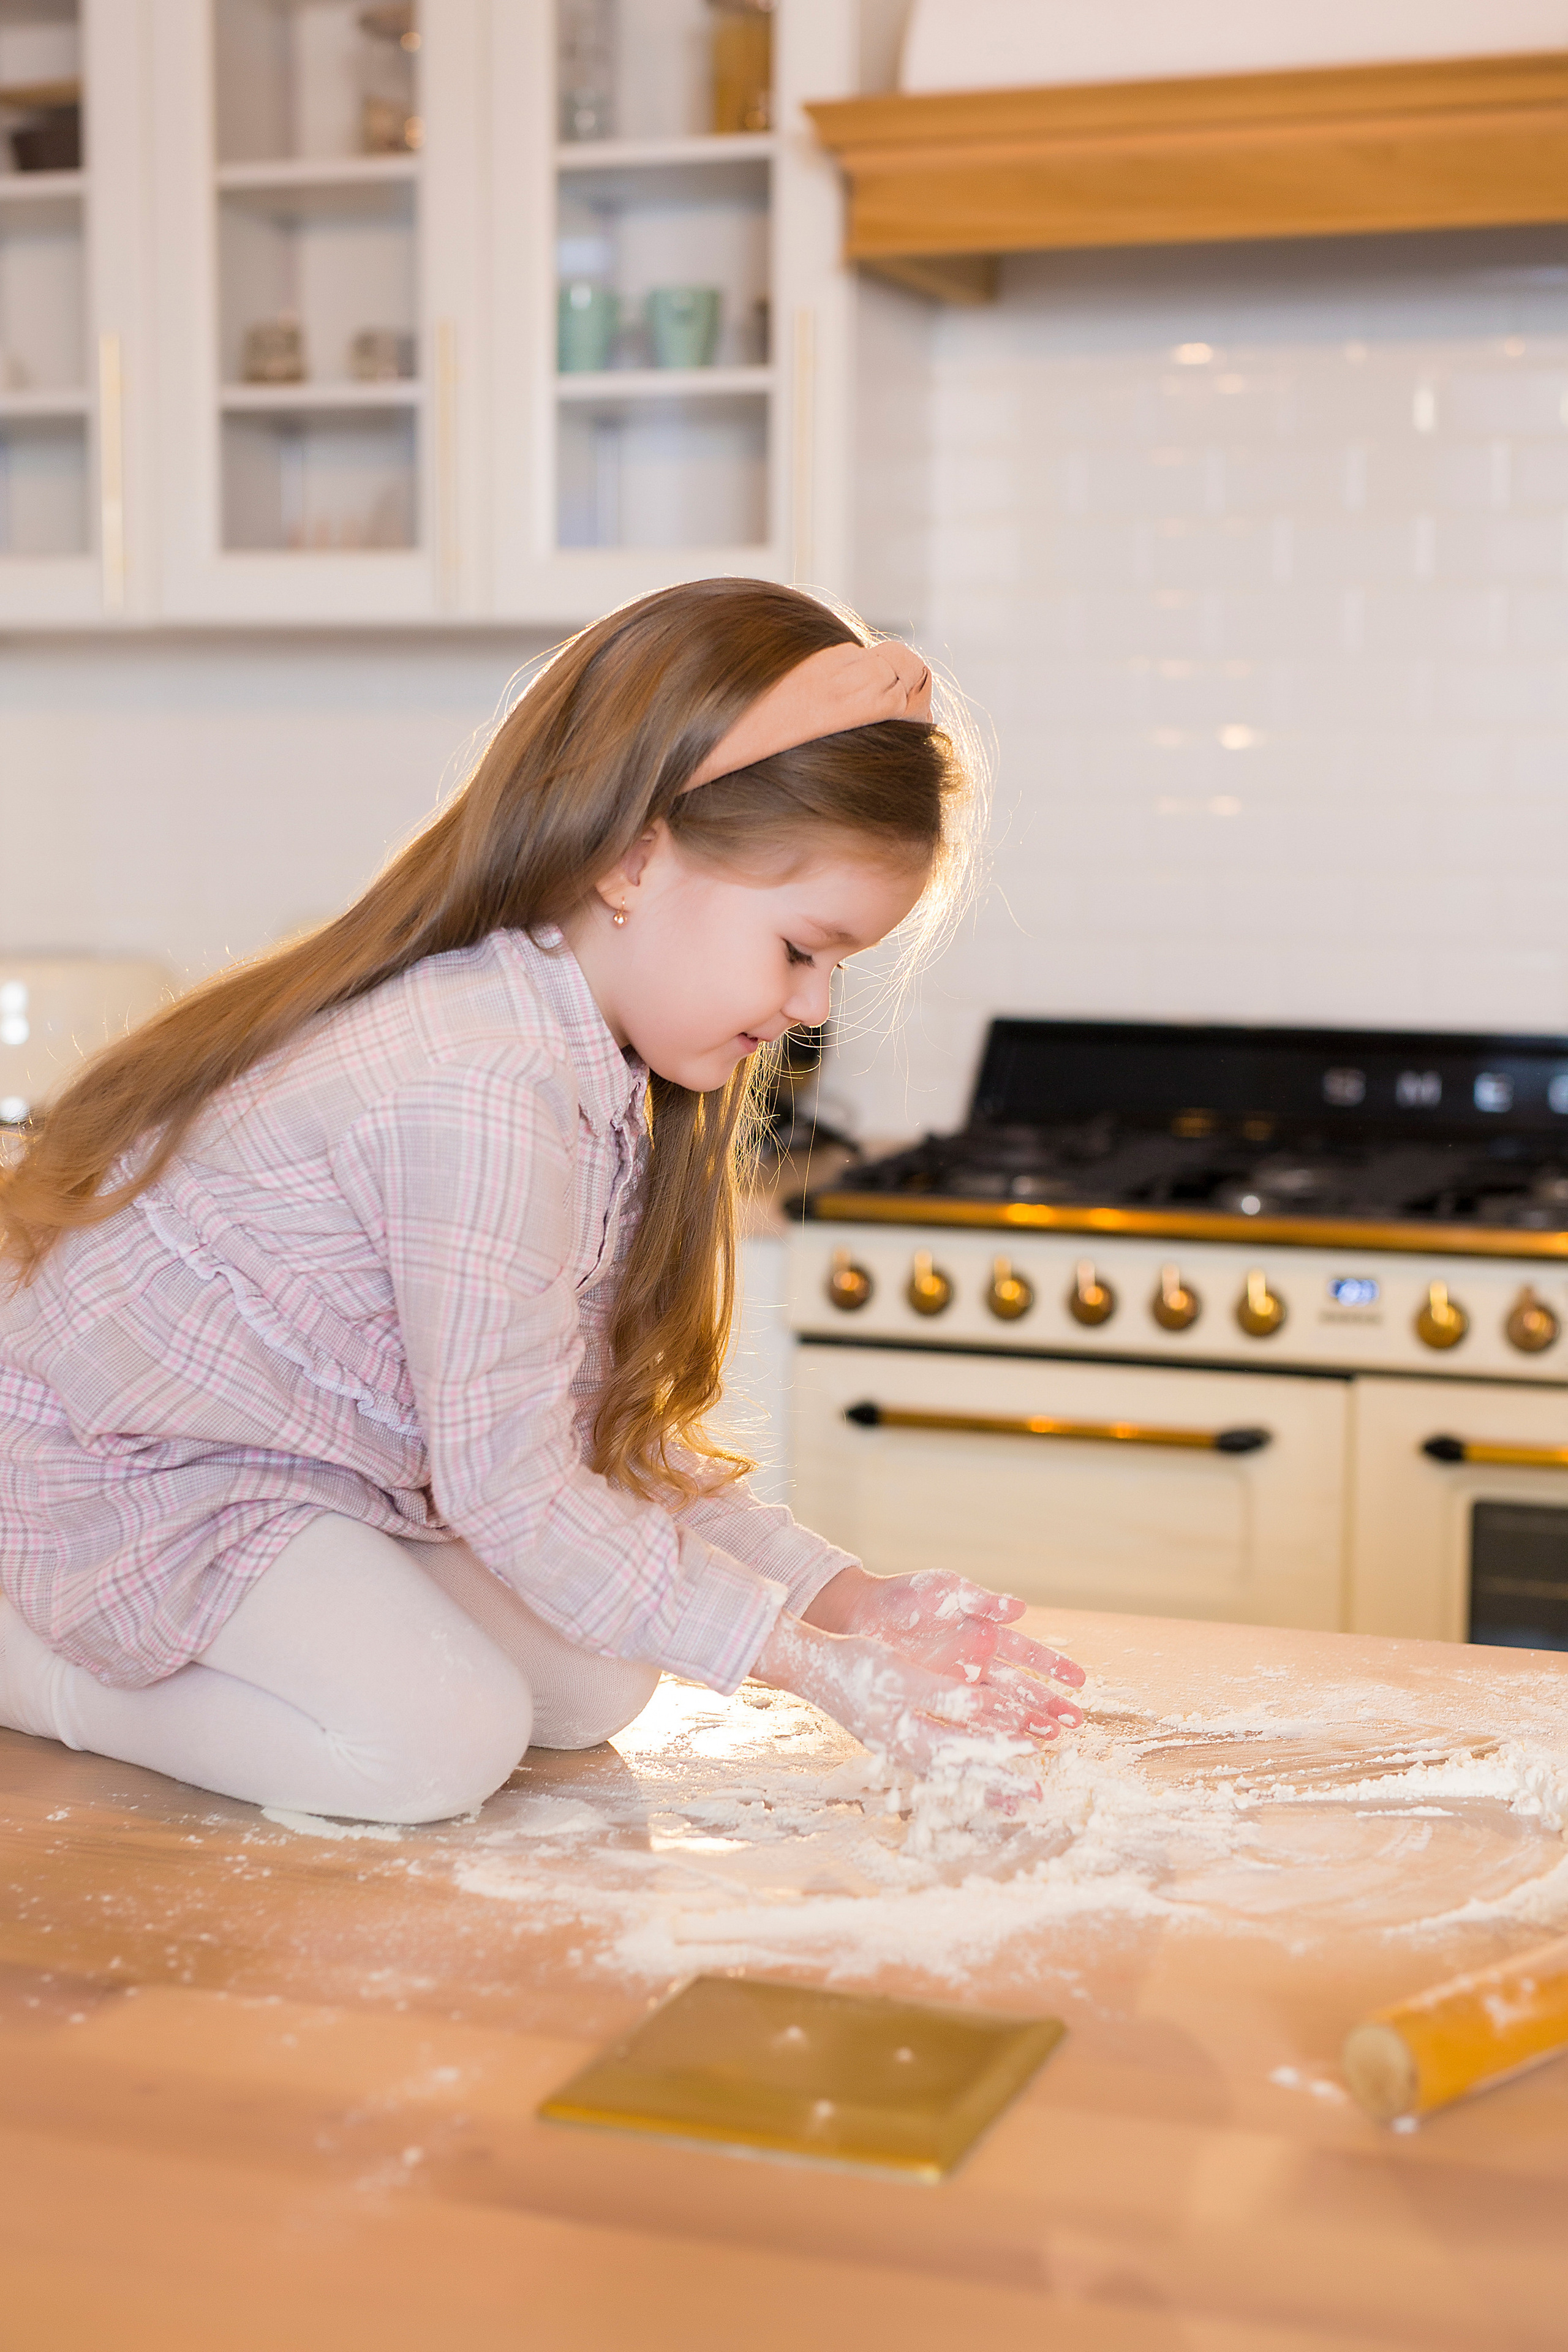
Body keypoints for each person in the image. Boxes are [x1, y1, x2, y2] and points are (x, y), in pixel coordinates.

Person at [0, 579, 1083, 1825]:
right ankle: (28, 1662)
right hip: (144, 1480)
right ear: (634, 862)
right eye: (800, 948)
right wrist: (815, 1673)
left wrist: (847, 1601)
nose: (811, 1010)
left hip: (329, 1475)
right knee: (432, 1749)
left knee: (596, 1682)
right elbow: (515, 1493)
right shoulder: (477, 1083)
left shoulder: (583, 1067)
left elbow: (585, 1441)